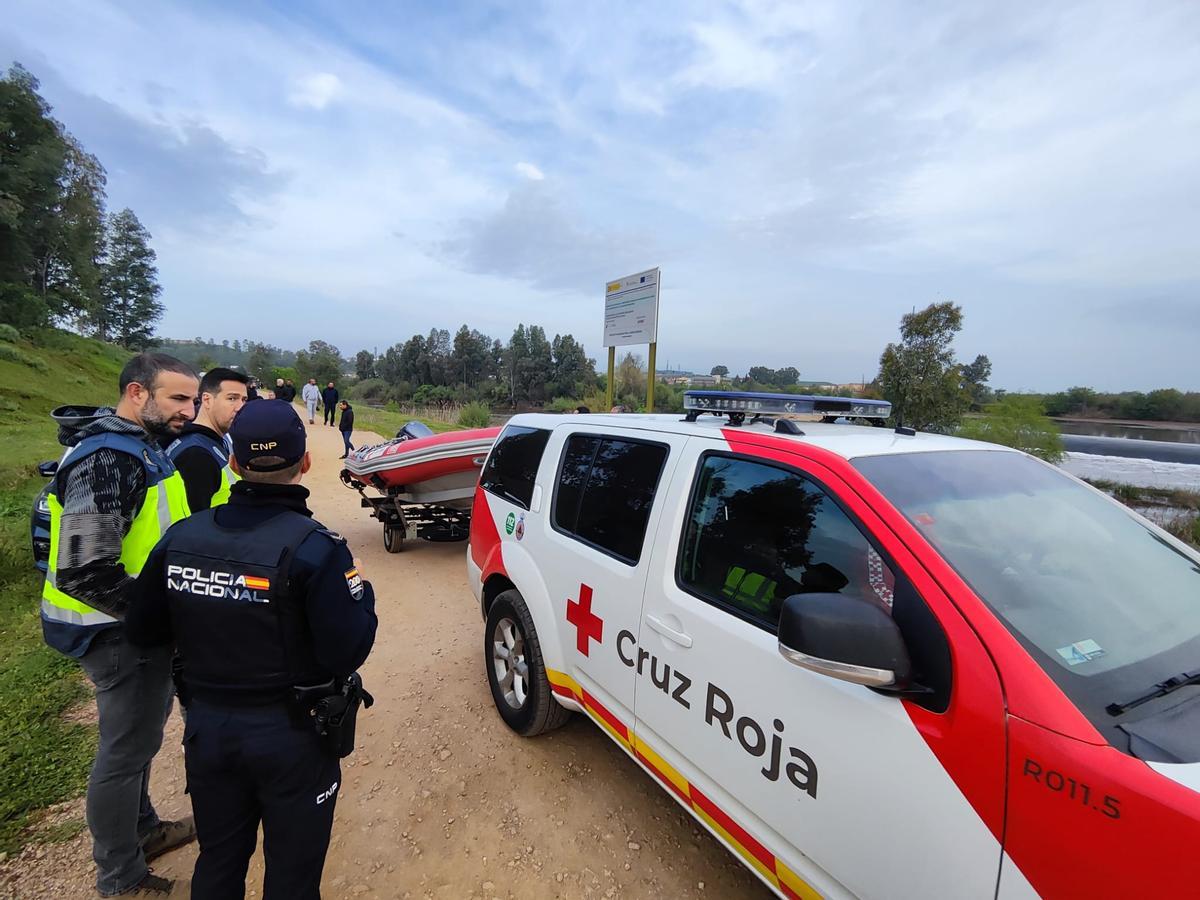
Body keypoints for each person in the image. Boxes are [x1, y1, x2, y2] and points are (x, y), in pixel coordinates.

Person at [125, 400, 378, 900]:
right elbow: (346, 650)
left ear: (234, 463)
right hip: (293, 737)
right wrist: (362, 594)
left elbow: (144, 630)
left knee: (218, 860)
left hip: (209, 732)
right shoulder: (317, 548)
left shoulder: (181, 537)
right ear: (306, 462)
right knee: (293, 874)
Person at [41, 353, 199, 898]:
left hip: (131, 631)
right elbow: (84, 569)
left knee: (139, 741)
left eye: (193, 399)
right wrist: (155, 617)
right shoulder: (110, 459)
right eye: (177, 398)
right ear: (137, 393)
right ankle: (122, 877)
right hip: (115, 634)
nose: (189, 409)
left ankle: (145, 830)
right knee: (124, 752)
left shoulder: (137, 449)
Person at [166, 367, 248, 512]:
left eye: (244, 400)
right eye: (232, 398)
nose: (240, 407)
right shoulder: (196, 455)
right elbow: (192, 523)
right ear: (207, 400)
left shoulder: (213, 442)